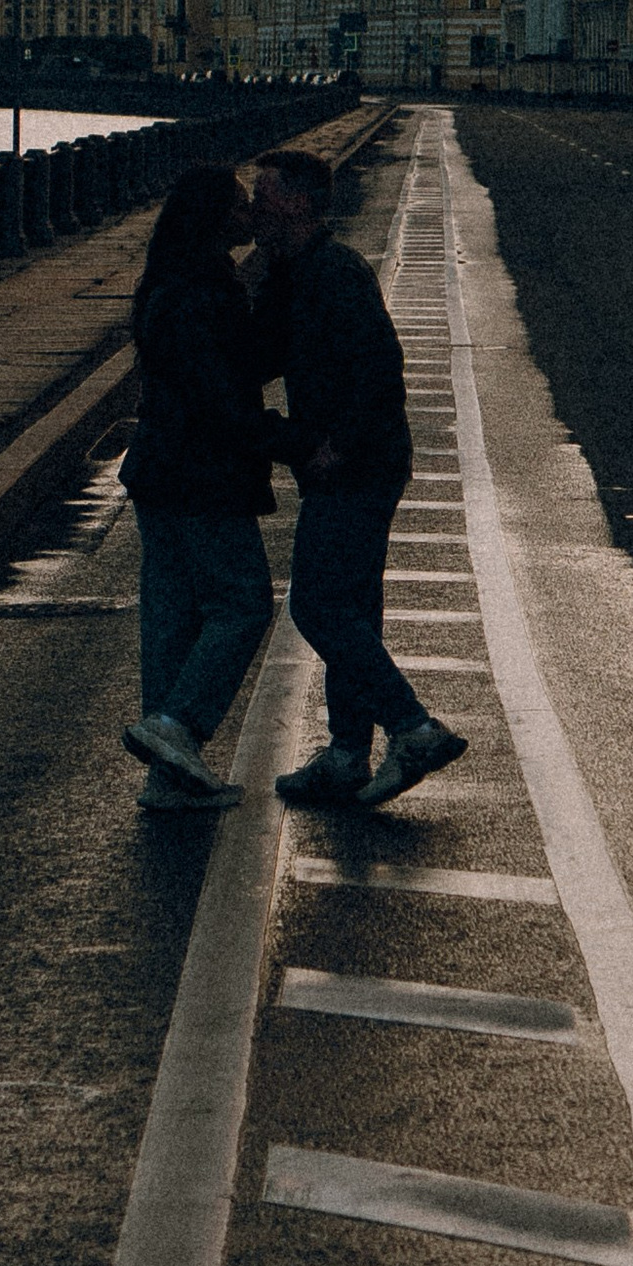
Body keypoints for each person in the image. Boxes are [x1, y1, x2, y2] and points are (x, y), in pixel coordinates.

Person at [248, 148, 468, 811]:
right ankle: (347, 753)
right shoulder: (294, 272)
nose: (253, 208)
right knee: (353, 611)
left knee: (317, 607)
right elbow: (260, 354)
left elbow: (379, 367)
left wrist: (337, 445)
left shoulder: (336, 272)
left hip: (357, 464)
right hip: (350, 461)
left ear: (297, 202)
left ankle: (413, 728)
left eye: (263, 196)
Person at [118, 163, 278, 813]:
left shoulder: (171, 279)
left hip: (158, 469)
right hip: (201, 474)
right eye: (239, 205)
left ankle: (168, 778)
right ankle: (177, 725)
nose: (248, 213)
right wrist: (282, 439)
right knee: (243, 604)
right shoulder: (203, 291)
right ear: (213, 218)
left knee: (172, 618)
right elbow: (221, 394)